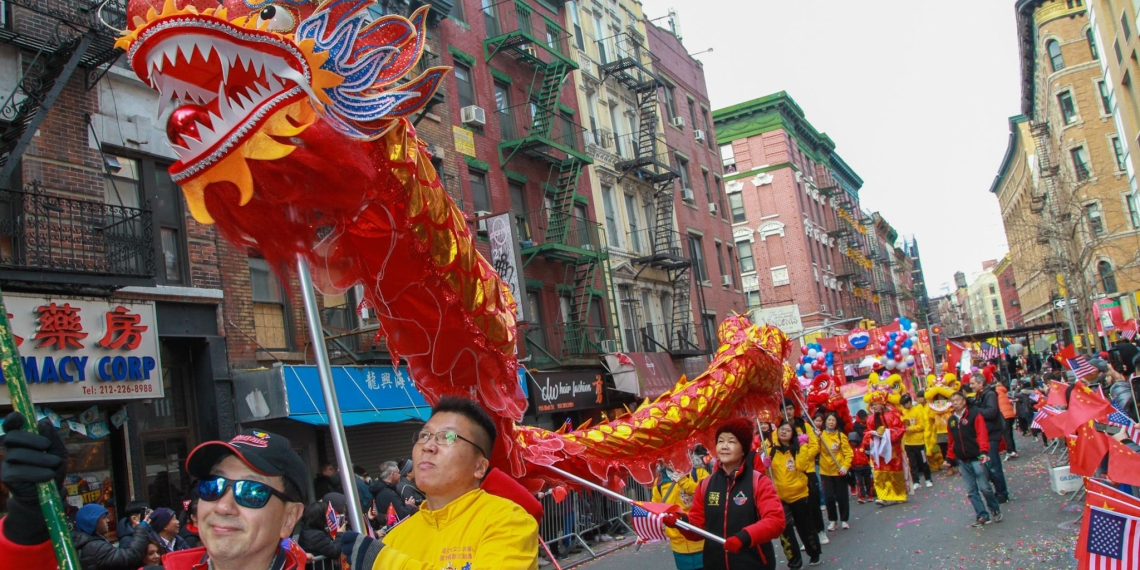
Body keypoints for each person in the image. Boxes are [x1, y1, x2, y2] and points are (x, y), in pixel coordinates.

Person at [341, 396, 539, 570]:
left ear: (479, 467)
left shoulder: (508, 521)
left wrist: (385, 563)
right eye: (424, 435)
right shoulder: (395, 538)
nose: (428, 446)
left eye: (448, 437)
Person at [664, 418, 785, 570]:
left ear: (743, 449)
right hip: (715, 564)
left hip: (753, 564)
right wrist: (681, 522)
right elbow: (698, 528)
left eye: (732, 442)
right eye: (720, 441)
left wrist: (744, 538)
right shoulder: (706, 485)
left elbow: (776, 521)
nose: (724, 446)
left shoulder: (759, 482)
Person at [945, 391, 1002, 527]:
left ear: (964, 401)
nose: (955, 403)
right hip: (962, 461)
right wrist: (949, 458)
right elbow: (952, 441)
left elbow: (981, 434)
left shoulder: (975, 415)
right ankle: (982, 515)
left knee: (984, 488)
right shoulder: (951, 420)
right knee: (971, 491)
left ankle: (994, 508)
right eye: (952, 401)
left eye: (957, 400)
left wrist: (983, 451)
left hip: (977, 457)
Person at [770, 422, 822, 568]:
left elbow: (801, 466)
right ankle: (794, 562)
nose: (784, 432)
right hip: (780, 497)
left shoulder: (797, 449)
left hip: (799, 494)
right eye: (782, 429)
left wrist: (804, 446)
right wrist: (765, 464)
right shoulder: (771, 451)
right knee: (785, 531)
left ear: (793, 434)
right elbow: (767, 475)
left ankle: (814, 553)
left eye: (788, 430)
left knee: (805, 526)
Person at [651, 449, 711, 570]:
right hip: (678, 545)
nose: (671, 459)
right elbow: (655, 507)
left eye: (675, 453)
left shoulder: (698, 473)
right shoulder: (660, 482)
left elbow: (708, 493)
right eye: (666, 456)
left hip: (701, 541)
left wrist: (684, 481)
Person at [970, 372, 1010, 503]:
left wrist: (975, 410)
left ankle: (1001, 493)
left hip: (991, 433)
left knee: (993, 465)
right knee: (989, 465)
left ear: (981, 383)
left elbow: (992, 412)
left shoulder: (990, 394)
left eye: (973, 383)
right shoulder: (981, 395)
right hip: (985, 434)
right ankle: (999, 492)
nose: (971, 386)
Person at [862, 392, 907, 505]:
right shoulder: (870, 418)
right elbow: (867, 433)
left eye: (876, 404)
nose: (874, 406)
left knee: (895, 470)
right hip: (878, 451)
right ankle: (883, 496)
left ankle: (899, 495)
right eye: (872, 404)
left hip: (892, 449)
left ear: (882, 404)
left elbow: (900, 429)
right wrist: (871, 435)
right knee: (880, 472)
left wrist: (887, 433)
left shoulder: (892, 415)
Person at [817, 412, 852, 532]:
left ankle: (844, 520)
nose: (831, 422)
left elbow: (848, 454)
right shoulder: (820, 436)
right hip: (825, 472)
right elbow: (815, 449)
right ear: (825, 422)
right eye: (829, 420)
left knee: (842, 497)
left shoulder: (841, 436)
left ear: (836, 422)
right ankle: (832, 520)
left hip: (839, 471)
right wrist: (816, 437)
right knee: (829, 497)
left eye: (833, 420)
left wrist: (845, 467)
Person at [368, 460, 417, 527]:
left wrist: (405, 505)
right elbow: (400, 516)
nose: (400, 475)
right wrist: (410, 506)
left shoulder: (385, 490)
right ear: (392, 474)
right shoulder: (387, 494)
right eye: (398, 473)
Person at [900, 394, 933, 490]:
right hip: (908, 443)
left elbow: (922, 426)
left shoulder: (918, 410)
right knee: (912, 463)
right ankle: (916, 481)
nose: (904, 407)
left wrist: (910, 429)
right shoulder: (903, 412)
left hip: (919, 441)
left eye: (904, 404)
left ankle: (928, 479)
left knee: (923, 461)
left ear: (909, 402)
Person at [994, 379, 1019, 460]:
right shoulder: (1003, 392)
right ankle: (1013, 449)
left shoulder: (996, 392)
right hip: (1010, 414)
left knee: (1006, 434)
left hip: (1004, 415)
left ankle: (1010, 450)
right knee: (1010, 433)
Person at [848, 432, 873, 504]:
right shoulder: (849, 448)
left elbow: (869, 453)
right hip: (856, 468)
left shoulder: (864, 445)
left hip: (865, 467)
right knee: (859, 483)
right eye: (851, 441)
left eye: (854, 441)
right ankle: (861, 497)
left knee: (869, 481)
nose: (853, 443)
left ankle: (870, 495)